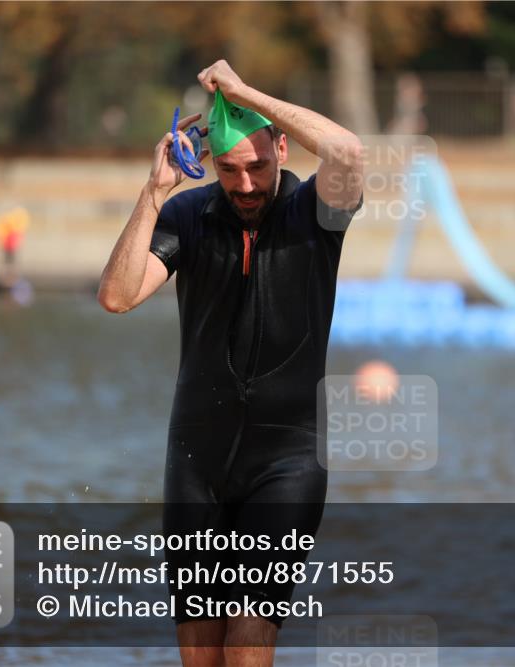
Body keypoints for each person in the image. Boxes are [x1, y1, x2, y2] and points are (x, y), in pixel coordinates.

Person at [97, 60, 364, 667]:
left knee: (248, 636)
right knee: (200, 650)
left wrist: (245, 94)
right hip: (197, 461)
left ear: (281, 147)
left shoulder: (317, 212)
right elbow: (117, 296)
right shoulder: (188, 216)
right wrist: (154, 193)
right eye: (228, 170)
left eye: (257, 167)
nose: (244, 185)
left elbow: (347, 150)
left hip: (287, 460)